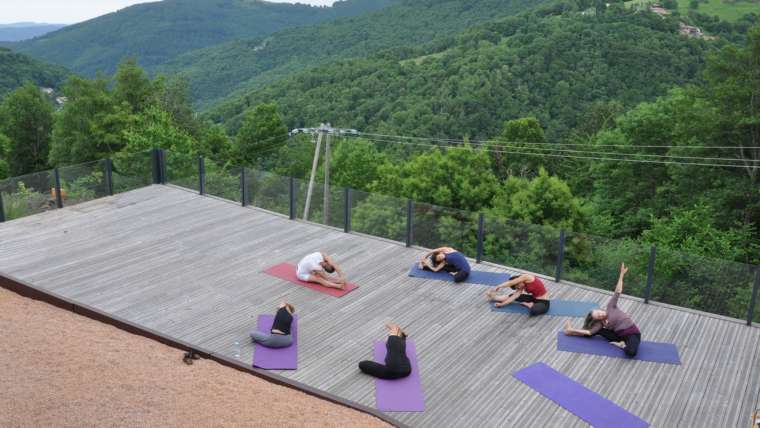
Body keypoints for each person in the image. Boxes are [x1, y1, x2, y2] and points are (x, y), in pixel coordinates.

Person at [564, 262, 641, 357]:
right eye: (598, 316)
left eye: (599, 312)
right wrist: (573, 329)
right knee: (596, 331)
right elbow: (590, 332)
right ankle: (570, 332)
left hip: (632, 334)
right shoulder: (600, 323)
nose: (600, 315)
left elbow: (618, 291)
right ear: (598, 319)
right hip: (618, 336)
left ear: (600, 309)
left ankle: (621, 345)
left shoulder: (611, 307)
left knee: (631, 352)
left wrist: (621, 275)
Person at [485, 273, 550, 316]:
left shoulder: (527, 277)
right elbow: (514, 297)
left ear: (518, 281)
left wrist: (498, 286)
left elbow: (511, 283)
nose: (519, 288)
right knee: (513, 295)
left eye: (517, 286)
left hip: (543, 302)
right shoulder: (521, 286)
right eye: (517, 288)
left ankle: (530, 305)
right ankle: (493, 297)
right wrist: (502, 304)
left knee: (533, 311)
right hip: (533, 298)